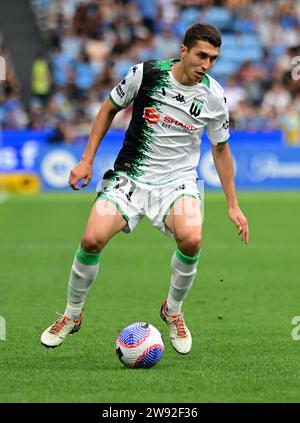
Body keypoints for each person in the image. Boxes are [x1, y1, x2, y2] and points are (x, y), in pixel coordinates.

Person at [41, 23, 249, 355]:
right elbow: (109, 108)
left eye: (213, 59)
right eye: (201, 56)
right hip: (130, 178)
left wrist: (233, 204)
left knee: (192, 238)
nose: (206, 65)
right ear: (183, 51)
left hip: (177, 182)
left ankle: (173, 310)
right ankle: (71, 315)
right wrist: (86, 160)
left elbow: (221, 150)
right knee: (91, 239)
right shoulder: (147, 74)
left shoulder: (213, 96)